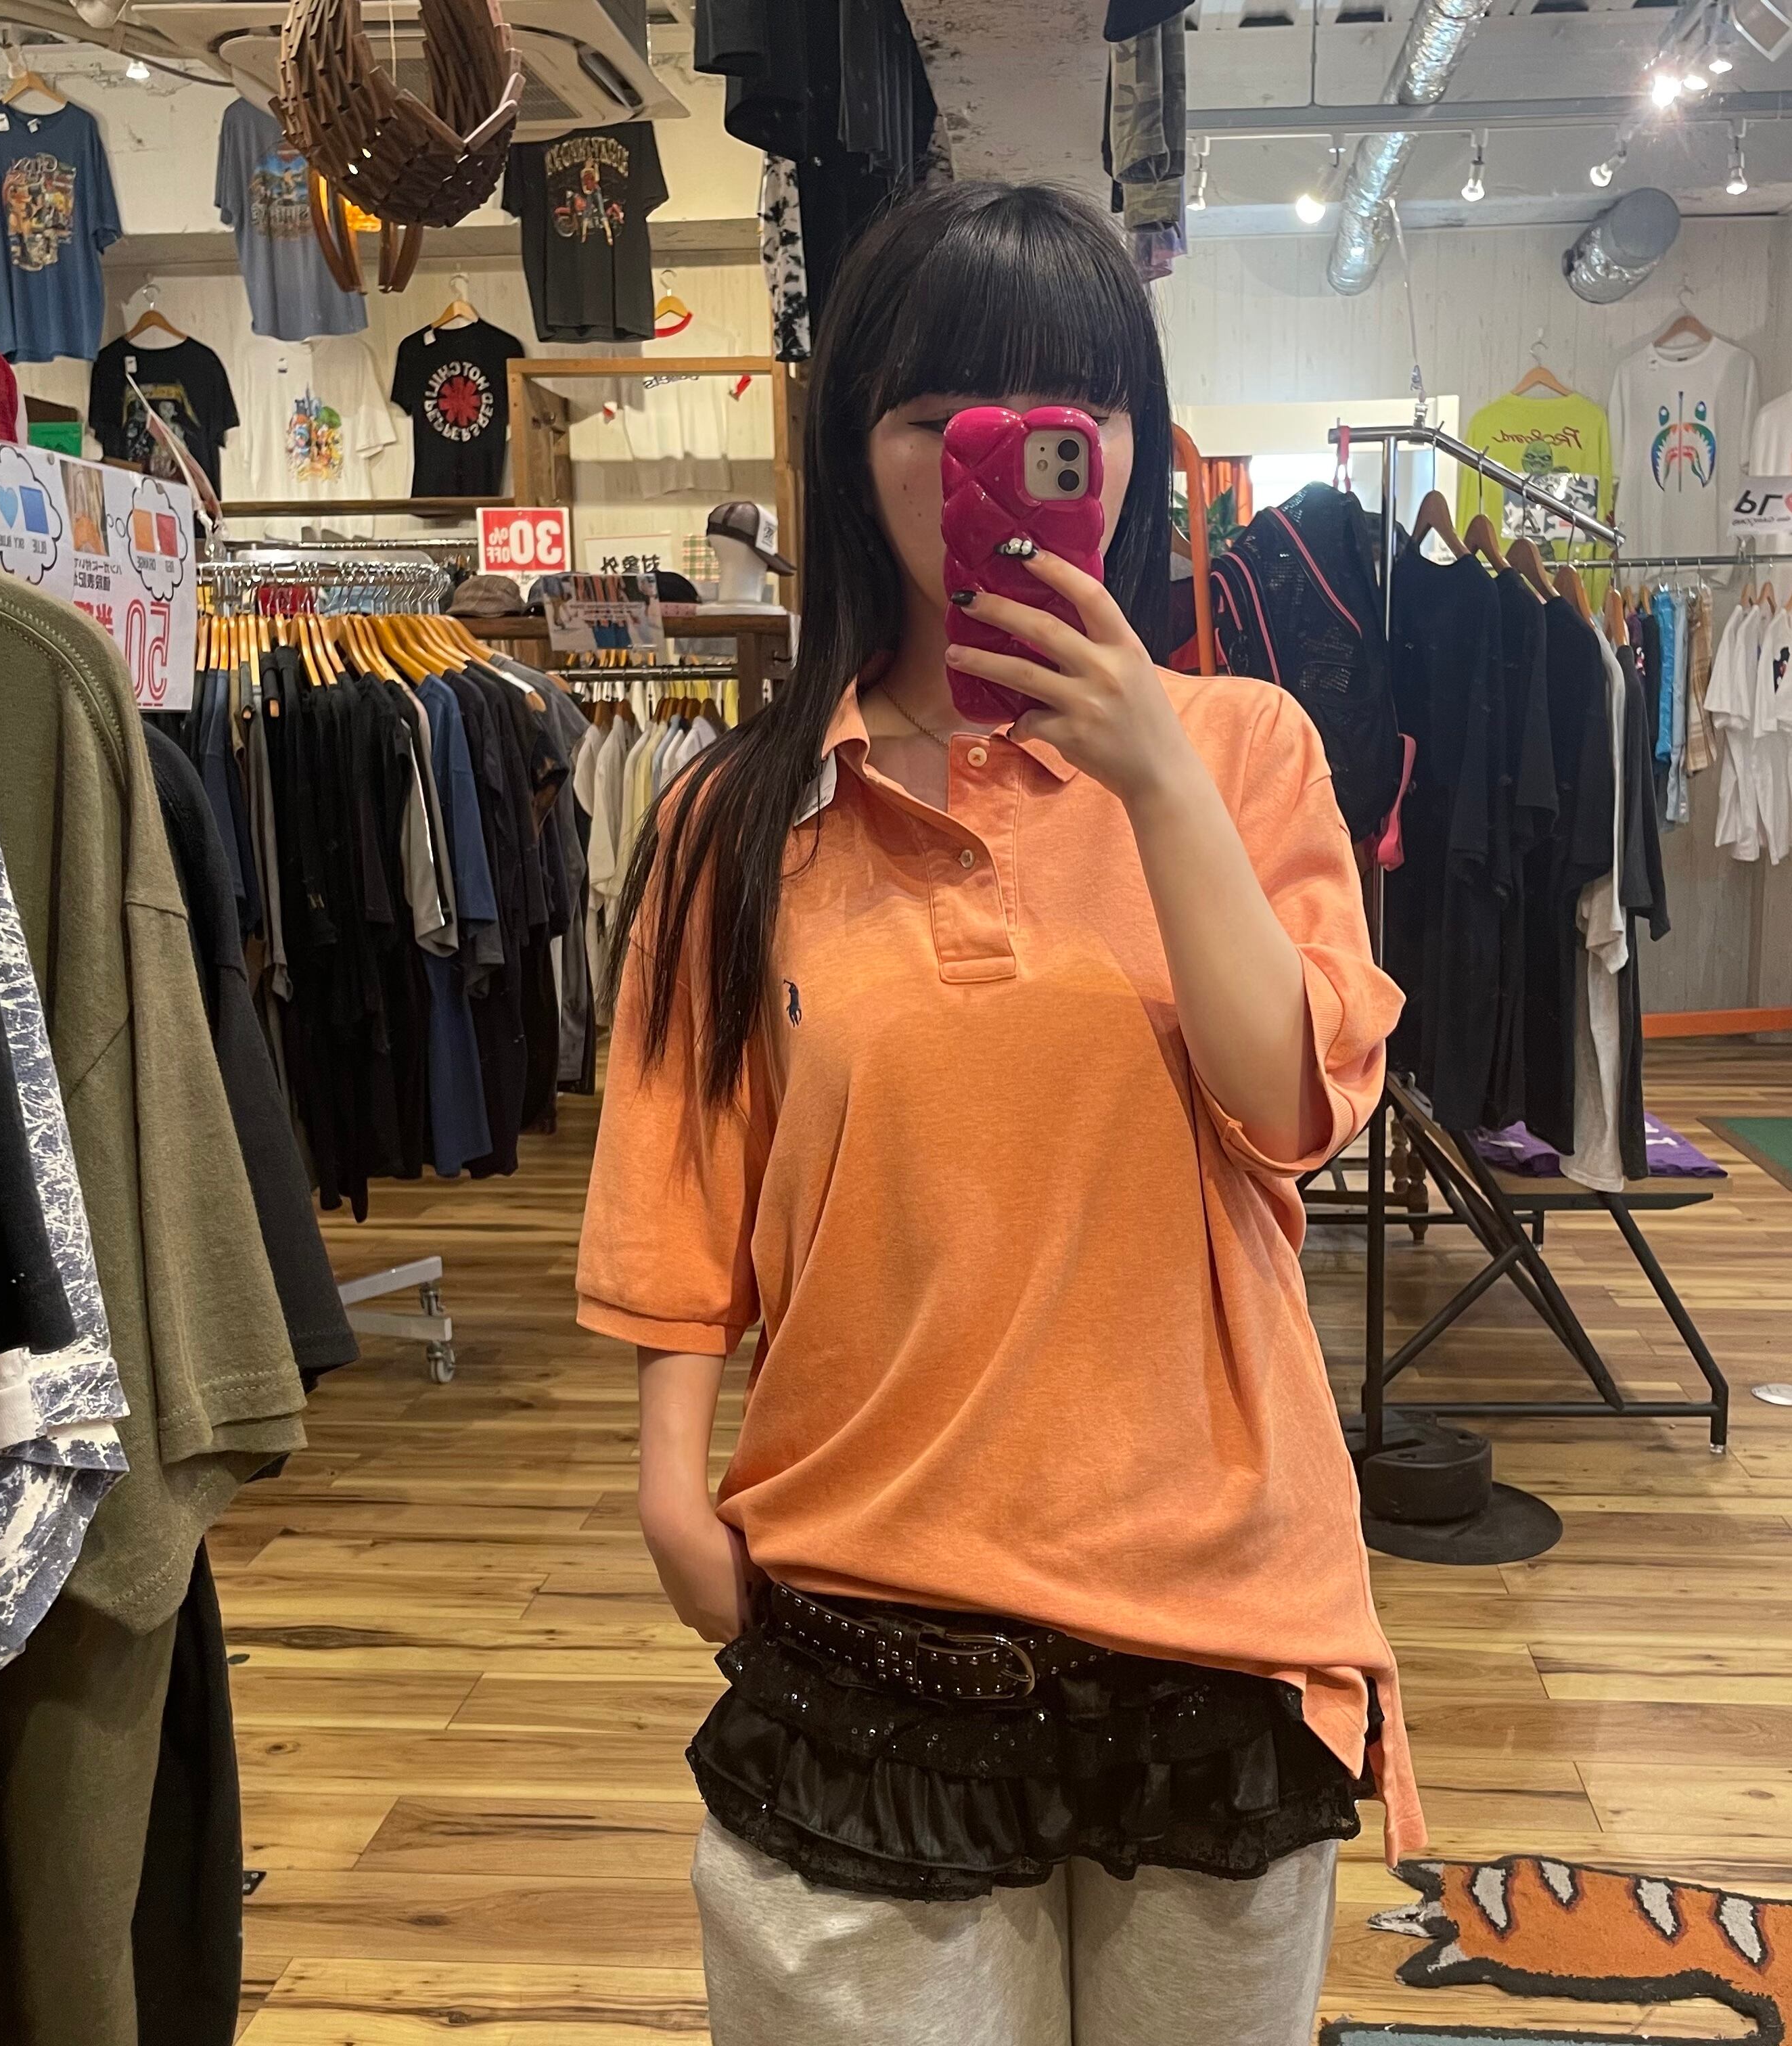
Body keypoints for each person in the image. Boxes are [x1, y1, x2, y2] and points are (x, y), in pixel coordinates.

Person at [577, 179, 1424, 2046]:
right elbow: (681, 1175)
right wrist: (666, 1482)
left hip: (1217, 1609)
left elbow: (1293, 1107)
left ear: (1129, 443)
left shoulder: (1246, 750)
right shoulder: (738, 814)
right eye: (940, 414)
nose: (1023, 457)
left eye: (1074, 414)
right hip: (863, 1601)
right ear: (856, 449)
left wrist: (1151, 772)